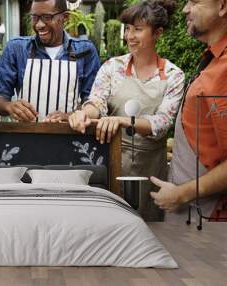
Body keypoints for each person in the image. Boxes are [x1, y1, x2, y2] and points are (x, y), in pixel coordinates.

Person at [69, 0, 185, 221]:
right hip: (110, 163)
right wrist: (85, 113)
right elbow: (97, 103)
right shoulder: (112, 67)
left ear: (157, 33)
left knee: (150, 231)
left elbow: (161, 124)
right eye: (128, 29)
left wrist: (123, 121)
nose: (129, 36)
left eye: (138, 30)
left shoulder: (173, 75)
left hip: (150, 168)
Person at [150, 0, 227, 222]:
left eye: (194, 1)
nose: (185, 9)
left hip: (210, 218)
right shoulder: (212, 58)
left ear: (222, 6)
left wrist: (182, 194)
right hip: (191, 212)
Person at [0, 0, 100, 122]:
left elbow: (93, 102)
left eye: (46, 17)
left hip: (69, 136)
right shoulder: (16, 48)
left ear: (65, 17)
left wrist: (71, 116)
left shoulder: (85, 51)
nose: (39, 25)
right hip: (25, 136)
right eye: (34, 17)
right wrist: (9, 106)